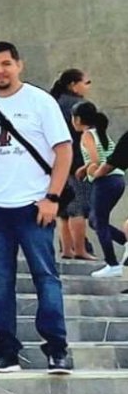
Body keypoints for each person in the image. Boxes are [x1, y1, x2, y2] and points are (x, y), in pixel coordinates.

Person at [0, 41, 73, 375]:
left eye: (6, 63)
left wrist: (52, 197)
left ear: (19, 65)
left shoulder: (40, 101)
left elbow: (63, 150)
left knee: (45, 278)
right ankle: (5, 349)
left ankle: (57, 348)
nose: (0, 70)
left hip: (34, 206)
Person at [73, 101, 126, 277]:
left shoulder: (87, 135)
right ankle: (125, 241)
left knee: (99, 221)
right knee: (95, 220)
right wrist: (84, 168)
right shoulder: (100, 132)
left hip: (104, 180)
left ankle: (112, 264)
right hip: (117, 179)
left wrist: (91, 171)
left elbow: (95, 159)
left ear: (78, 119)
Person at [49, 68, 93, 261]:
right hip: (77, 161)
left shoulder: (54, 103)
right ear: (73, 85)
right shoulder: (79, 106)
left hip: (56, 162)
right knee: (78, 208)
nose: (87, 87)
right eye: (86, 82)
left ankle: (66, 250)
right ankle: (80, 249)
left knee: (63, 210)